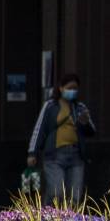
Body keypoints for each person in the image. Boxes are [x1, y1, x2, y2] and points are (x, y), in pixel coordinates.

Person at [27, 74, 96, 203]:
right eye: (69, 88)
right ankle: (48, 216)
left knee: (75, 196)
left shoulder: (80, 108)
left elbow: (91, 131)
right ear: (61, 88)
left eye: (75, 88)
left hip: (76, 156)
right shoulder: (50, 106)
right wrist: (32, 152)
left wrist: (85, 122)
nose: (72, 91)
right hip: (55, 156)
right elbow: (39, 129)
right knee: (56, 192)